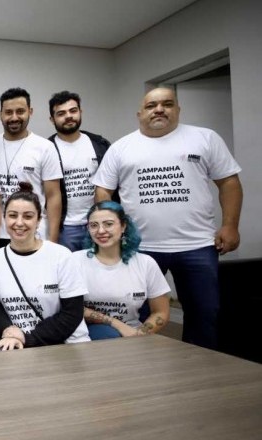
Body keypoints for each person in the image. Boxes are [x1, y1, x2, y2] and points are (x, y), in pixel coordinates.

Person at [93, 87, 243, 350]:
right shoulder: (121, 148)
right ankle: (139, 362)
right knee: (137, 314)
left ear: (178, 109)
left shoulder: (205, 139)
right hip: (139, 247)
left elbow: (229, 183)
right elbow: (103, 190)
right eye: (151, 106)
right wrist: (110, 232)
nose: (159, 110)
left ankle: (200, 364)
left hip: (197, 245)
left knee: (204, 313)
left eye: (167, 104)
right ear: (140, 113)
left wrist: (230, 225)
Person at [0, 182, 90, 350]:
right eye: (13, 215)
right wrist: (10, 333)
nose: (19, 222)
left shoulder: (61, 255)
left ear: (39, 220)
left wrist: (29, 338)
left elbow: (72, 314)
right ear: (4, 218)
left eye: (28, 216)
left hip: (65, 343)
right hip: (17, 344)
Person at [71, 201, 171, 339]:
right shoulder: (75, 260)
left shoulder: (146, 263)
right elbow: (68, 308)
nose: (101, 231)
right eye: (94, 225)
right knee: (107, 334)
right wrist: (116, 323)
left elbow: (161, 312)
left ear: (123, 226)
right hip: (88, 333)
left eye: (108, 224)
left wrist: (139, 334)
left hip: (133, 334)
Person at [0, 87, 63, 247]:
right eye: (8, 112)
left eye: (20, 111)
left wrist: (53, 241)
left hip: (33, 233)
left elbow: (53, 196)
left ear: (30, 112)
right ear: (0, 114)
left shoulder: (45, 147)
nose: (14, 117)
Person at [46, 91, 114, 251]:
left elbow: (113, 184)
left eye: (73, 111)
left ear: (80, 112)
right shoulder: (46, 148)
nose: (68, 116)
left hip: (97, 224)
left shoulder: (100, 144)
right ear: (52, 119)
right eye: (61, 113)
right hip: (65, 227)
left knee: (99, 265)